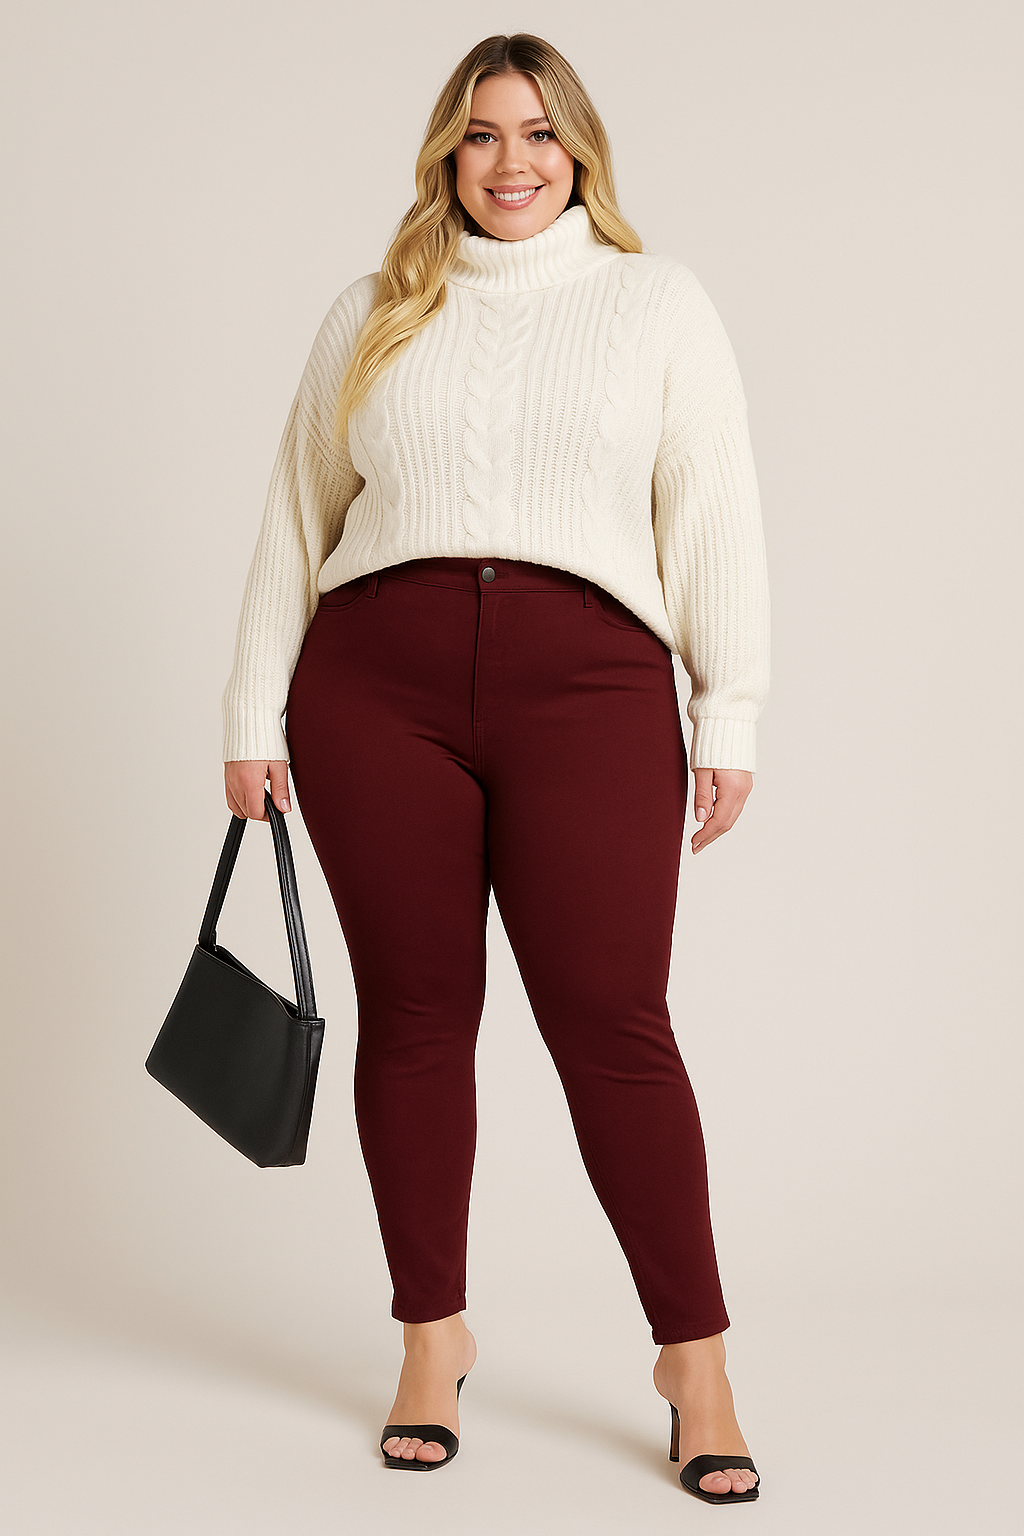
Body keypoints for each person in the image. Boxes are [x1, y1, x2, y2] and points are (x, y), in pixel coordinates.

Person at [221, 33, 769, 1505]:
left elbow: (713, 508)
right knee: (414, 1017)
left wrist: (728, 713)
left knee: (613, 1021)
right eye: (480, 135)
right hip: (374, 686)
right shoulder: (375, 308)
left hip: (589, 686)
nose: (510, 162)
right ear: (445, 156)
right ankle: (430, 1336)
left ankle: (696, 1359)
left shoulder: (655, 302)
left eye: (537, 133)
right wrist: (252, 715)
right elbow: (296, 512)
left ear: (578, 151)